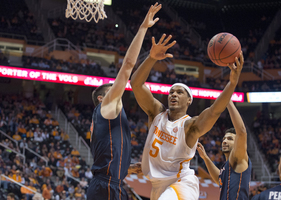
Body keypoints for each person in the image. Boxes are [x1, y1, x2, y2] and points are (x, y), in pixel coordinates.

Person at [130, 33, 244, 199]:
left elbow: (214, 111)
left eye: (179, 92)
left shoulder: (190, 125)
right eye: (171, 92)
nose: (173, 95)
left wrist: (232, 83)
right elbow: (136, 84)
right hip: (157, 186)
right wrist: (151, 58)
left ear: (189, 100)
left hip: (181, 183)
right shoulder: (156, 113)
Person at [86, 3, 162, 200]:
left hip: (108, 185)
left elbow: (108, 153)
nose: (117, 89)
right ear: (102, 98)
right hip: (106, 187)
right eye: (112, 88)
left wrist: (126, 166)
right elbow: (128, 66)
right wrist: (143, 28)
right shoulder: (107, 106)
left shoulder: (106, 117)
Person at [197, 100, 251, 199]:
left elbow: (242, 132)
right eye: (224, 139)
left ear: (238, 143)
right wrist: (205, 158)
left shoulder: (239, 157)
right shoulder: (227, 166)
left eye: (230, 139)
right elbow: (219, 179)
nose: (225, 141)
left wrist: (228, 100)